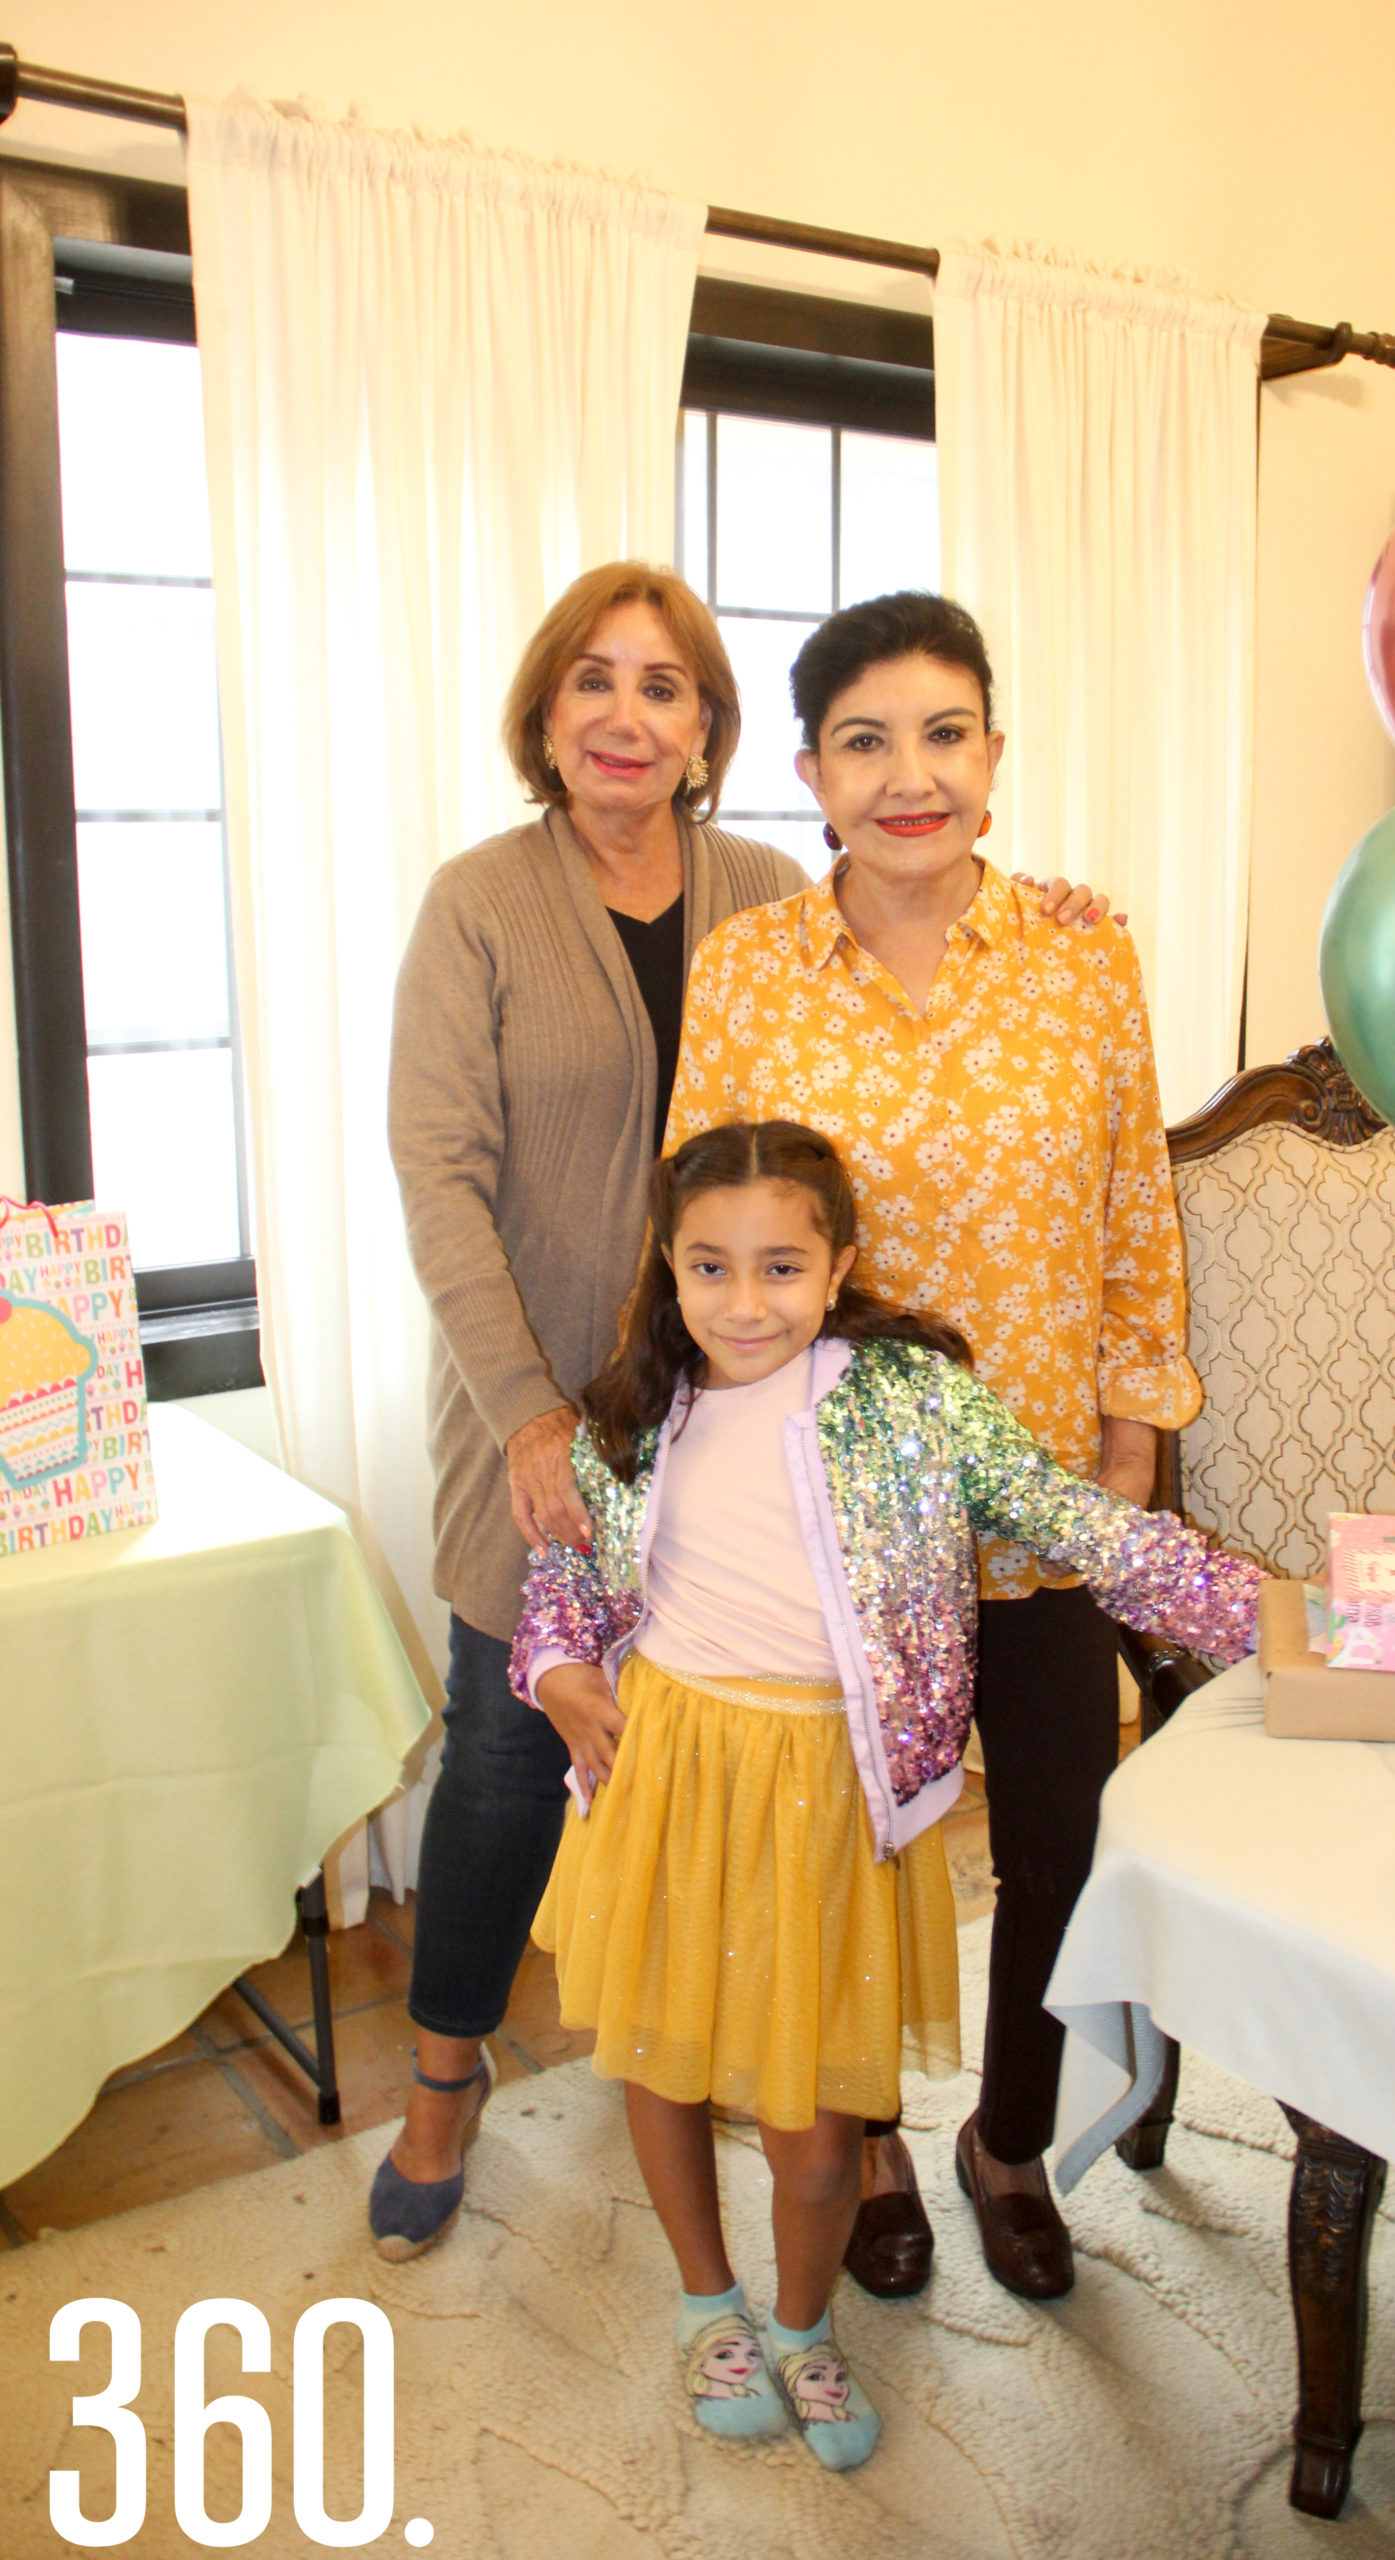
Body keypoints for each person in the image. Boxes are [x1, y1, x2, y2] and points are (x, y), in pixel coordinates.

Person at [376, 563, 1115, 2260]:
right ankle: (441, 2082)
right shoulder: (479, 904)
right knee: (508, 1749)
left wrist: (1044, 911)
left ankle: (783, 2086)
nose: (629, 719)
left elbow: (910, 925)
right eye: (595, 684)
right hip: (550, 1407)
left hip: (761, 1412)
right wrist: (533, 1412)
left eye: (667, 689)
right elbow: (438, 1176)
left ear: (714, 732)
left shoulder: (770, 888)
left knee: (755, 1756)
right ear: (547, 712)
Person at [513, 1120, 1260, 2469]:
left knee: (816, 2129)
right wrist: (560, 1671)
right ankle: (705, 2300)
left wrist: (1276, 1616)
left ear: (840, 1263)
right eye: (711, 1269)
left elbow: (1072, 1517)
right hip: (671, 1773)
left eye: (782, 1268)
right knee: (659, 2054)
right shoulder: (630, 1413)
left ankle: (802, 2325)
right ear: (668, 1270)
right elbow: (569, 1580)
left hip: (832, 1793)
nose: (746, 1304)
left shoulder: (907, 1400)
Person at [664, 591, 1206, 2302]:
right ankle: (872, 2146)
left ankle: (1007, 2140)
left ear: (995, 751)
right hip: (835, 1514)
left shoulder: (1082, 944)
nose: (913, 776)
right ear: (813, 776)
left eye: (946, 733)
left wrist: (1131, 1427)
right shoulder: (751, 968)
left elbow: (1137, 1200)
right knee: (857, 1853)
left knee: (1058, 1830)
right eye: (867, 742)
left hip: (1044, 1485)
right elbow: (702, 1232)